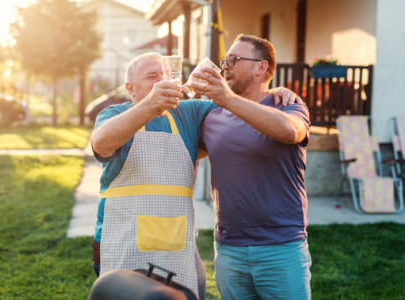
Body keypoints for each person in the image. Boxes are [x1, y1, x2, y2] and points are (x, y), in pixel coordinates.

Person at [90, 52, 300, 300]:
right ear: (130, 88)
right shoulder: (114, 114)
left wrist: (273, 91)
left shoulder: (189, 112)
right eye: (151, 77)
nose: (161, 81)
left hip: (176, 245)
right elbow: (101, 144)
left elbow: (241, 100)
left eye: (164, 75)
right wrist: (150, 105)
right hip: (122, 242)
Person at [192, 34, 312, 300]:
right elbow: (183, 151)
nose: (225, 66)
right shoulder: (212, 116)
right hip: (228, 249)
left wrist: (227, 99)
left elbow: (289, 132)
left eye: (234, 60)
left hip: (281, 248)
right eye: (226, 60)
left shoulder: (288, 104)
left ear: (261, 67)